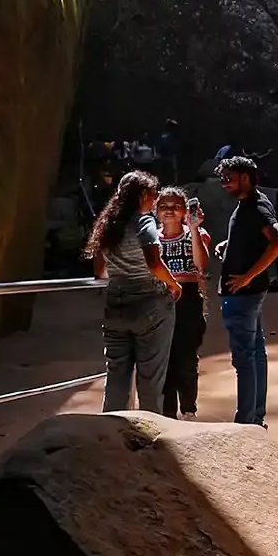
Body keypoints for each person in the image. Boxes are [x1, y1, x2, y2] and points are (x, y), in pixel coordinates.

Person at [85, 170, 182, 413]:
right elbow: (154, 262)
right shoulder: (144, 221)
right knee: (150, 378)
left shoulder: (109, 225)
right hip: (149, 303)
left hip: (115, 305)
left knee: (116, 375)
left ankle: (109, 435)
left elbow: (99, 271)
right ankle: (151, 438)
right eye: (153, 193)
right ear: (142, 195)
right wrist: (173, 284)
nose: (156, 198)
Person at [216, 155, 278, 426]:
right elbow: (255, 237)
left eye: (228, 178)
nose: (223, 183)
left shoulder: (255, 207)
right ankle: (255, 418)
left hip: (242, 296)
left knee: (244, 359)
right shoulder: (253, 203)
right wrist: (230, 245)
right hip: (250, 294)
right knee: (256, 353)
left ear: (245, 178)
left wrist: (247, 276)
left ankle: (246, 423)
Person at [155, 187, 210, 419]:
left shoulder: (195, 234)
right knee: (163, 357)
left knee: (186, 357)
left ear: (185, 210)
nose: (169, 211)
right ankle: (167, 413)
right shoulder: (151, 238)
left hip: (188, 299)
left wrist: (195, 229)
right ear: (156, 210)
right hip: (159, 299)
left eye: (175, 206)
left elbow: (201, 264)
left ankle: (189, 410)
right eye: (164, 206)